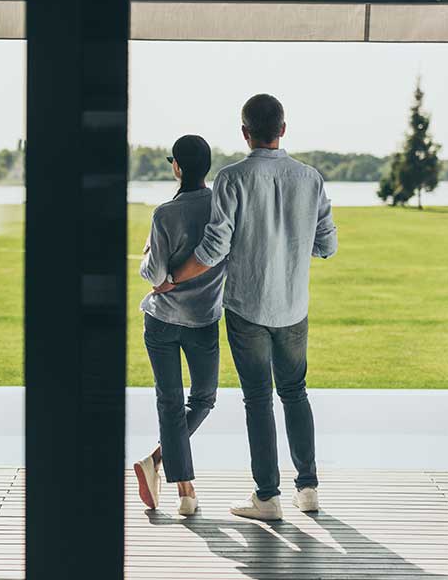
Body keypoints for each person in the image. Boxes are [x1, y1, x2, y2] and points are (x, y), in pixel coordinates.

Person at [160, 94, 338, 521]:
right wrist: (290, 246)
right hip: (293, 306)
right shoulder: (310, 178)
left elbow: (215, 247)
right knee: (295, 393)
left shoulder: (231, 178)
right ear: (283, 129)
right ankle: (308, 488)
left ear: (245, 132)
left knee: (258, 399)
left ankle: (268, 497)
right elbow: (327, 245)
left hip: (247, 309)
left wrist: (173, 278)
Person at [133, 134, 226, 517]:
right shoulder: (223, 208)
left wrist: (147, 257)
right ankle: (184, 490)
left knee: (170, 403)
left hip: (162, 321)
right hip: (203, 320)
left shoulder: (163, 214)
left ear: (177, 167)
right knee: (202, 400)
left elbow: (154, 276)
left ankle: (160, 463)